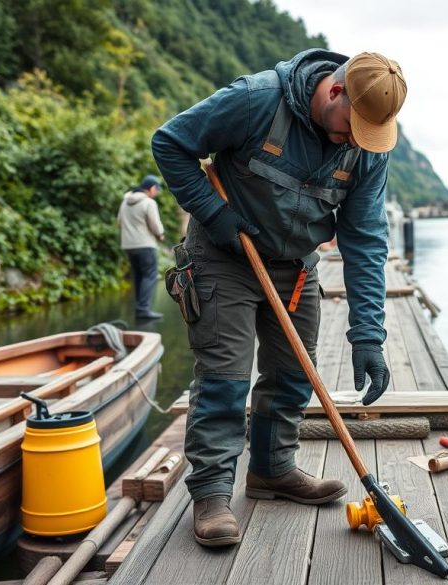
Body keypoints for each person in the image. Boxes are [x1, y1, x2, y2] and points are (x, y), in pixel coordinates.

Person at [151, 49, 405, 547]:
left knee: (292, 375)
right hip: (226, 255)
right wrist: (215, 216)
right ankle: (211, 494)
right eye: (350, 128)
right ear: (334, 91)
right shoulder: (255, 100)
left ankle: (271, 471)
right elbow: (171, 143)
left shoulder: (369, 148)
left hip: (295, 267)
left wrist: (369, 336)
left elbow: (366, 241)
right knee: (225, 378)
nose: (355, 141)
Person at [117, 175, 165, 320]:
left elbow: (119, 222)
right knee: (150, 275)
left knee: (138, 275)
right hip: (145, 245)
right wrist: (160, 234)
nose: (156, 193)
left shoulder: (125, 202)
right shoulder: (149, 203)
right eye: (156, 190)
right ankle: (143, 309)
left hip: (128, 245)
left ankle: (140, 307)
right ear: (151, 188)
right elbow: (155, 225)